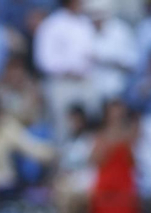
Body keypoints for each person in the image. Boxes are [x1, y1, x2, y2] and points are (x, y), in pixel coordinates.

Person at [33, 0, 96, 133]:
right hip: (62, 82)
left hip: (85, 81)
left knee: (90, 122)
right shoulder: (52, 24)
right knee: (64, 126)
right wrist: (67, 70)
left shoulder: (85, 23)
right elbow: (43, 59)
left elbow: (90, 52)